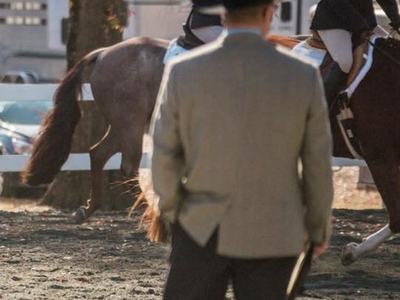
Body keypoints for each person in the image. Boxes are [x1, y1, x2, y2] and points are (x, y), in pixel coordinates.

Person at [151, 0, 334, 299]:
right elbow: (316, 161)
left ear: (223, 14)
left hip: (201, 224)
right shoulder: (303, 75)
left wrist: (174, 209)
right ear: (268, 12)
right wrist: (317, 227)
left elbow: (164, 152)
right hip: (275, 228)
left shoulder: (182, 71)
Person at [310, 0, 400, 105]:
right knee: (345, 62)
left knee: (389, 51)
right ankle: (321, 105)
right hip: (334, 21)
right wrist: (360, 27)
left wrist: (396, 20)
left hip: (364, 22)